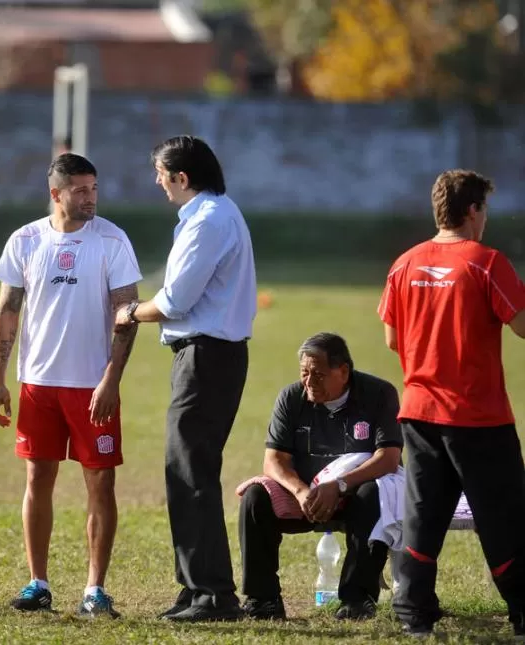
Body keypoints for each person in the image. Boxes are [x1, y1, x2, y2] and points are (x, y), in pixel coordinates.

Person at [0, 153, 142, 618]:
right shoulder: (26, 240)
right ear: (56, 194)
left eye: (93, 188)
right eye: (80, 189)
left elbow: (126, 316)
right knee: (38, 478)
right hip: (38, 383)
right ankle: (38, 582)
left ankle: (95, 589)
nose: (90, 196)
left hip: (92, 386)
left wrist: (110, 380)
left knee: (100, 482)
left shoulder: (113, 241)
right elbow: (8, 310)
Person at [114, 135, 257, 622]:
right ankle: (195, 586)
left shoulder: (209, 221)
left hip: (207, 357)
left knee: (190, 473)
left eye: (161, 173)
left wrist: (131, 311)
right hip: (208, 356)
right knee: (187, 472)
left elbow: (175, 302)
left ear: (181, 176)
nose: (157, 182)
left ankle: (212, 594)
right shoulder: (214, 215)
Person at [378, 169, 525, 638]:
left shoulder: (405, 263)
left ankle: (412, 612)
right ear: (474, 210)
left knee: (424, 514)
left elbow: (391, 338)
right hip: (478, 417)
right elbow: (523, 325)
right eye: (485, 210)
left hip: (419, 413)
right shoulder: (487, 262)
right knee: (504, 516)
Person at [239, 333, 403, 621]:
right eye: (304, 373)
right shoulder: (291, 397)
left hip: (355, 491)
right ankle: (262, 599)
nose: (309, 382)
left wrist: (339, 485)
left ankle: (357, 598)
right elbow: (274, 460)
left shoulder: (378, 394)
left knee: (374, 494)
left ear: (343, 372)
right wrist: (301, 491)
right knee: (255, 498)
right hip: (306, 494)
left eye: (318, 374)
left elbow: (389, 458)